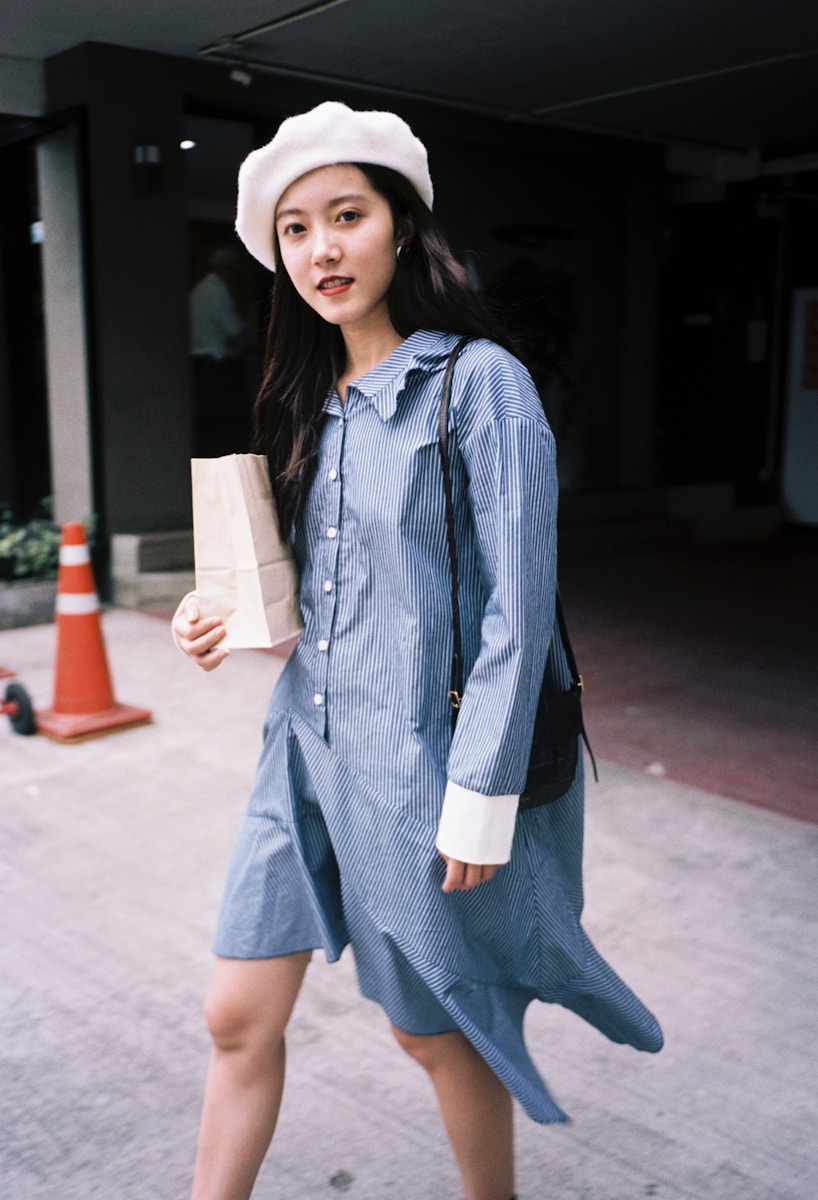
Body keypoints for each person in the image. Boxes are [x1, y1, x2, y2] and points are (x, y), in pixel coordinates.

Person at [173, 101, 663, 1200]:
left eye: (345, 215)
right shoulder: (314, 399)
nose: (321, 248)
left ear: (401, 225)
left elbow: (516, 612)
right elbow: (334, 603)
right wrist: (220, 614)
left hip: (414, 779)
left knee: (435, 1036)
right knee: (234, 1018)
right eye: (296, 230)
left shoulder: (479, 385)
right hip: (297, 753)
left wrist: (479, 793)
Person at [189, 245, 249, 456]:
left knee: (209, 425)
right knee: (227, 425)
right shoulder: (218, 291)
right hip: (218, 367)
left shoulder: (199, 289)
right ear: (227, 269)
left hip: (200, 365)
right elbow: (233, 329)